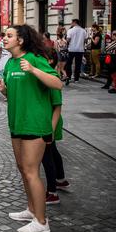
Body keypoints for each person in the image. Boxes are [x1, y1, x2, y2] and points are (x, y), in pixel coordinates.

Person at [0, 25, 63, 232]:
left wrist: (33, 70)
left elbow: (57, 84)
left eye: (9, 35)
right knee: (23, 168)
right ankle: (32, 209)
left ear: (21, 40)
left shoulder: (34, 59)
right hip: (17, 123)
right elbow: (12, 95)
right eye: (5, 35)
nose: (4, 38)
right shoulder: (10, 63)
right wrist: (3, 89)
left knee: (32, 172)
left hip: (34, 123)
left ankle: (42, 222)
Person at [42, 52, 70, 206]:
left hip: (50, 123)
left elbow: (57, 106)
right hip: (48, 122)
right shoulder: (45, 75)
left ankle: (52, 192)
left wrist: (50, 131)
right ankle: (61, 179)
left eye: (42, 58)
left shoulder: (51, 78)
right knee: (53, 151)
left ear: (50, 61)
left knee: (47, 156)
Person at [65, 19, 86, 84]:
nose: (71, 23)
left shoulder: (70, 30)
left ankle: (69, 76)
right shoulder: (83, 31)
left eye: (72, 22)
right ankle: (76, 79)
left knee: (68, 63)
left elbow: (68, 40)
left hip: (72, 49)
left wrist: (66, 43)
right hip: (80, 49)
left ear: (74, 22)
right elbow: (85, 40)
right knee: (78, 64)